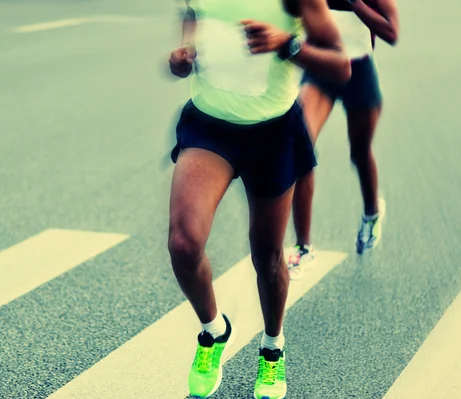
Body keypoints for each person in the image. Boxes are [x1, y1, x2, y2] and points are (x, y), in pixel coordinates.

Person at [167, 0, 350, 397]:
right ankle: (213, 331)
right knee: (183, 244)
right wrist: (184, 53)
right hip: (208, 127)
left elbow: (341, 66)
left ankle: (272, 348)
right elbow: (192, 15)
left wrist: (287, 44)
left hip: (273, 135)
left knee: (267, 257)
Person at [287, 0, 399, 274]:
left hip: (359, 72)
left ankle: (372, 213)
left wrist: (355, 4)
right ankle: (303, 247)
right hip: (320, 70)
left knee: (360, 152)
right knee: (300, 145)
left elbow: (392, 33)